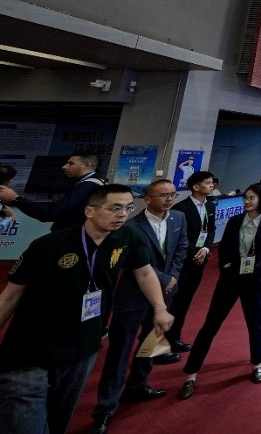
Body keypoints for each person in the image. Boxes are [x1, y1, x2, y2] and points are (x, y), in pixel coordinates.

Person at [0, 184, 174, 434]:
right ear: (90, 211)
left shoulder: (127, 237)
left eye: (128, 208)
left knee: (58, 421)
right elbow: (10, 296)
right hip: (31, 353)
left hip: (84, 348)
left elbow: (144, 272)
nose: (123, 214)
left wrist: (159, 307)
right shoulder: (49, 245)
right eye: (115, 208)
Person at [91, 179, 189, 432]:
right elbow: (130, 263)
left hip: (166, 294)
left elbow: (181, 248)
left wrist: (173, 277)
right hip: (132, 296)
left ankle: (138, 384)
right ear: (147, 199)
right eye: (163, 195)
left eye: (172, 194)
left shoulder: (178, 218)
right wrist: (164, 279)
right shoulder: (129, 226)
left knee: (152, 343)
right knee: (120, 352)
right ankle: (106, 407)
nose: (169, 199)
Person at [178, 183, 261, 398]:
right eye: (246, 197)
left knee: (256, 323)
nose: (247, 201)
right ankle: (191, 373)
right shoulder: (236, 220)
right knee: (211, 324)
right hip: (230, 278)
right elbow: (225, 246)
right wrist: (226, 266)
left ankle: (257, 363)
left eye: (252, 198)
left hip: (255, 280)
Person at [166, 171, 217, 353]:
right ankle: (164, 340)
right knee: (173, 301)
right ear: (196, 187)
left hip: (199, 260)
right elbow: (180, 236)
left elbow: (211, 230)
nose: (212, 186)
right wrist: (195, 251)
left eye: (212, 183)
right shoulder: (181, 208)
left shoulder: (210, 206)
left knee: (185, 301)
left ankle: (175, 337)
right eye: (208, 183)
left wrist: (206, 249)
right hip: (182, 261)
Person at [0, 152, 105, 231]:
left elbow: (53, 212)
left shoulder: (88, 186)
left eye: (71, 163)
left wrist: (17, 199)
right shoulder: (91, 184)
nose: (64, 167)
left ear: (87, 166)